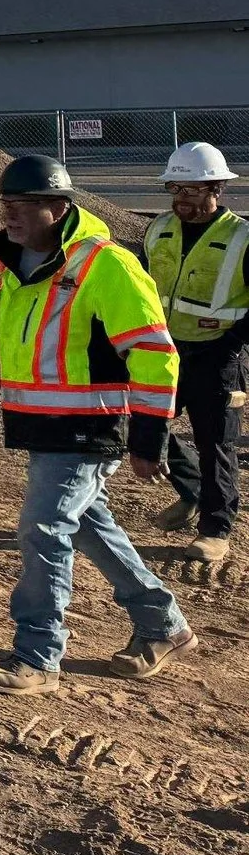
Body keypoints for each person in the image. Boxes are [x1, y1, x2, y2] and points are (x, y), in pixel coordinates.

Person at [0, 154, 192, 694]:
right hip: (39, 425)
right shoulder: (7, 265)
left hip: (89, 426)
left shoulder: (107, 265)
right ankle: (162, 624)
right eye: (7, 203)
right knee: (85, 523)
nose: (10, 214)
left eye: (23, 204)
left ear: (58, 208)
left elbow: (154, 354)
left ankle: (38, 656)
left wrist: (149, 435)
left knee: (43, 528)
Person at [141, 142, 249, 565]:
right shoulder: (158, 230)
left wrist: (230, 343)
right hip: (163, 351)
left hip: (218, 356)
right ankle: (193, 491)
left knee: (215, 444)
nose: (181, 198)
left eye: (191, 190)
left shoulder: (241, 238)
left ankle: (215, 530)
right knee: (145, 426)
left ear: (216, 188)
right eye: (175, 188)